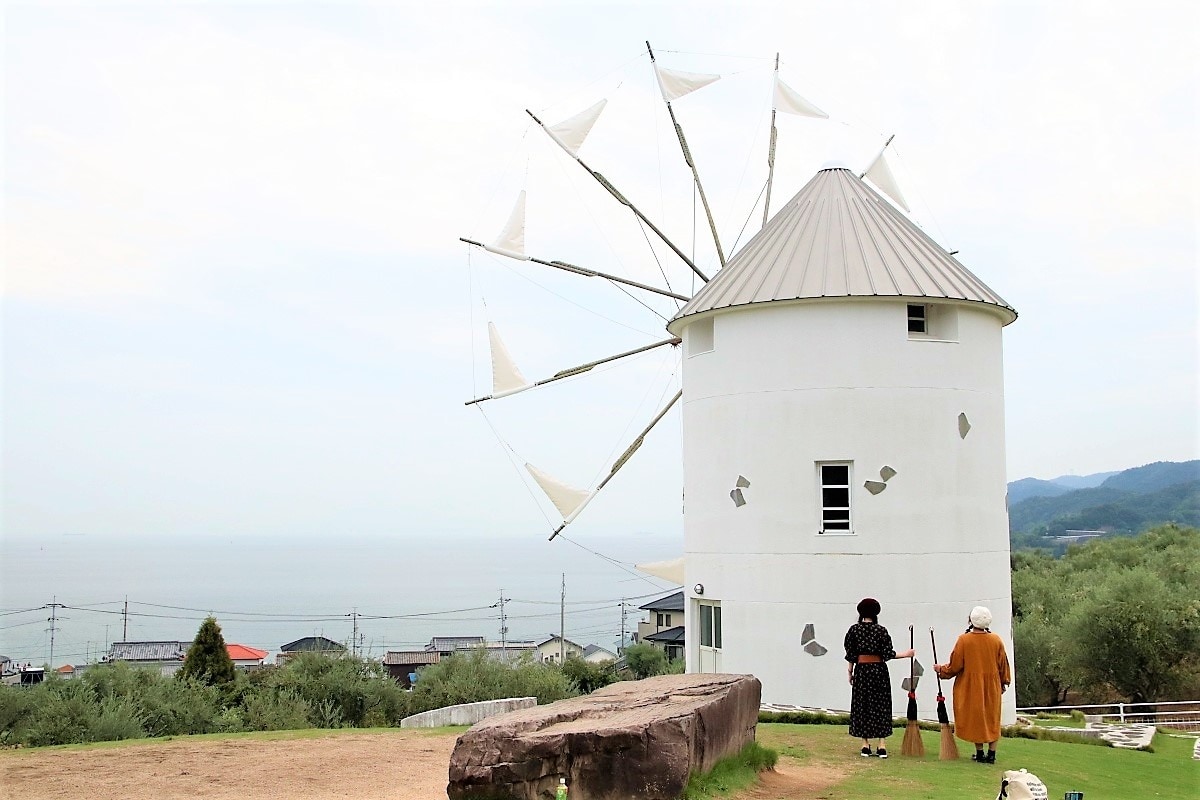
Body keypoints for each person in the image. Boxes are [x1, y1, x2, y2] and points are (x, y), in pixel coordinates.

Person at [933, 606, 1012, 764]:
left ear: (971, 620)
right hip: (992, 686)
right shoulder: (996, 640)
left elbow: (955, 666)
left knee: (977, 718)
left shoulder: (964, 640)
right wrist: (1003, 682)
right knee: (992, 718)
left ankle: (980, 752)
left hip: (971, 687)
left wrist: (941, 669)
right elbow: (1003, 664)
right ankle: (992, 754)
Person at [844, 597, 915, 758]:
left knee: (863, 705)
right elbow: (888, 654)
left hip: (862, 671)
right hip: (879, 672)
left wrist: (850, 671)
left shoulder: (854, 630)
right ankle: (881, 744)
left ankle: (865, 744)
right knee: (881, 705)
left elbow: (851, 655)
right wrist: (907, 654)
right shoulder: (881, 630)